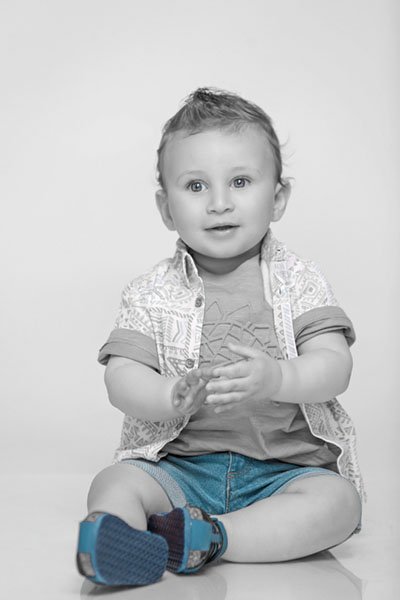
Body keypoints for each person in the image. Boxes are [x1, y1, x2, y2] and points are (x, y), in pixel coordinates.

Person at [76, 87, 364, 587]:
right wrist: (167, 394)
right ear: (166, 208)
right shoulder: (150, 292)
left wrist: (279, 378)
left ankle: (210, 536)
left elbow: (335, 365)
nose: (219, 203)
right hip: (180, 469)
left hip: (284, 473)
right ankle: (117, 538)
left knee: (339, 503)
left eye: (240, 181)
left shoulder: (299, 281)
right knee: (115, 481)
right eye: (195, 186)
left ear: (278, 198)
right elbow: (121, 377)